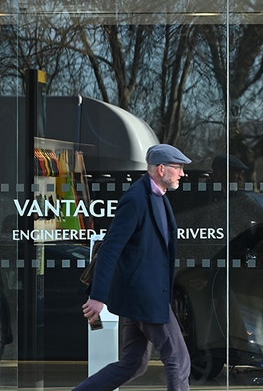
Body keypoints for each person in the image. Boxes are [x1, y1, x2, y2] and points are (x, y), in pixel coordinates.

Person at [74, 144, 193, 391]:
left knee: (133, 364)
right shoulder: (136, 199)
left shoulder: (158, 197)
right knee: (178, 360)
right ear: (161, 169)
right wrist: (98, 297)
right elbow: (109, 249)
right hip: (145, 297)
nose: (182, 173)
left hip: (142, 297)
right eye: (178, 168)